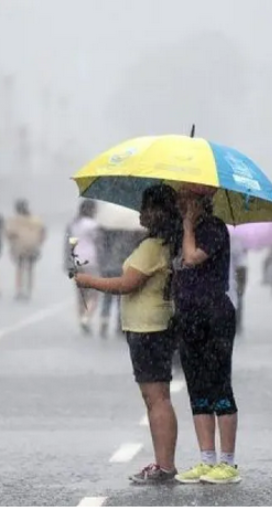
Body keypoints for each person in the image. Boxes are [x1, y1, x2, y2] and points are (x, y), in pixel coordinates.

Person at [73, 185, 181, 484]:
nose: (141, 213)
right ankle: (163, 463)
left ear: (159, 212)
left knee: (157, 398)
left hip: (149, 327)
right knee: (155, 397)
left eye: (146, 208)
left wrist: (89, 281)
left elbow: (127, 284)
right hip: (152, 325)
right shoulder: (164, 243)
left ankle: (165, 465)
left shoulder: (153, 247)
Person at [171, 186, 241, 485]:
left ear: (201, 203)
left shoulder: (213, 229)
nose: (181, 205)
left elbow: (190, 258)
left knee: (219, 385)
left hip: (215, 315)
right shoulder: (181, 230)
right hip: (188, 316)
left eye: (186, 201)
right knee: (197, 387)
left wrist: (187, 227)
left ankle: (227, 463)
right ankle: (206, 459)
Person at [66, 200, 102, 333]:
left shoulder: (74, 224)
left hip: (77, 260)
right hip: (91, 261)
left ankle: (81, 317)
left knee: (81, 293)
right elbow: (99, 243)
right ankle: (86, 318)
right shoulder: (93, 225)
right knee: (94, 293)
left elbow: (71, 242)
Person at [6, 199, 47, 300]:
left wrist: (12, 243)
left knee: (20, 269)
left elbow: (9, 234)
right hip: (32, 247)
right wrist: (38, 242)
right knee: (30, 269)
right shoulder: (35, 219)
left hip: (20, 247)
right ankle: (28, 290)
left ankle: (19, 290)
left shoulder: (15, 220)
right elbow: (42, 231)